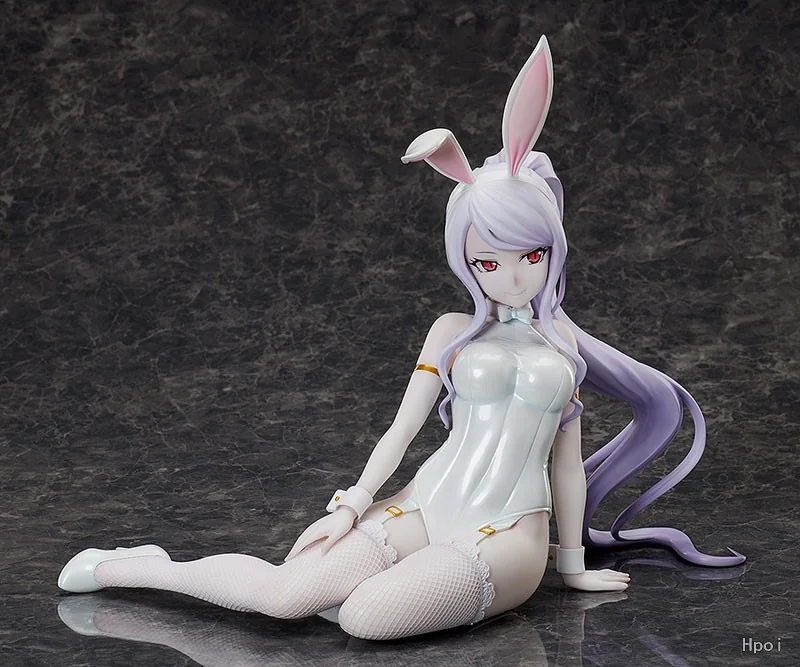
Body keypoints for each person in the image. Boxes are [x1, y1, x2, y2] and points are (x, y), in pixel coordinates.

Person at [57, 36, 743, 641]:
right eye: (488, 262)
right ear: (465, 262)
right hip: (421, 505)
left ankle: (397, 589)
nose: (511, 277)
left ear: (552, 249)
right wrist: (353, 502)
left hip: (508, 537)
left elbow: (566, 464)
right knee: (286, 596)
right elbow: (402, 428)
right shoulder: (450, 332)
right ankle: (138, 566)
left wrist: (572, 564)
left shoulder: (563, 344)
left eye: (530, 256)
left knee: (364, 618)